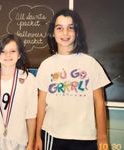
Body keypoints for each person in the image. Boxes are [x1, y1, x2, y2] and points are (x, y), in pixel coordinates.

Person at [34, 9, 111, 150]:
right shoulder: (46, 65)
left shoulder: (90, 63)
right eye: (59, 28)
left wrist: (102, 136)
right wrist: (37, 136)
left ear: (77, 32)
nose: (65, 33)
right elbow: (41, 103)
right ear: (53, 33)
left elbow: (99, 102)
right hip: (53, 135)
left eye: (70, 28)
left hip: (86, 137)